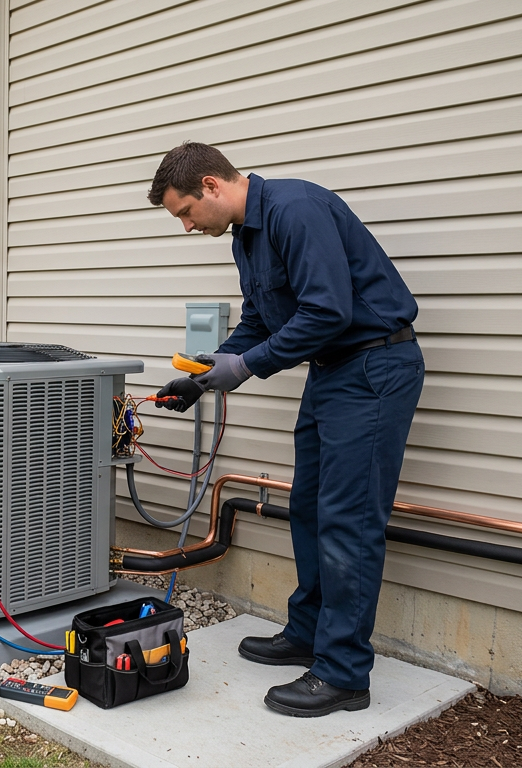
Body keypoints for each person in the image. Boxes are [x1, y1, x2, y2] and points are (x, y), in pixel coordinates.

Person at [147, 142, 424, 717]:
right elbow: (258, 318)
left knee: (348, 520)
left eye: (184, 212)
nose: (186, 226)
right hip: (332, 373)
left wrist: (246, 367)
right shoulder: (246, 236)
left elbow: (328, 311)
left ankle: (345, 674)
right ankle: (309, 633)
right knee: (310, 509)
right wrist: (203, 375)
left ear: (211, 185)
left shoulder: (296, 210)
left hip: (373, 368)